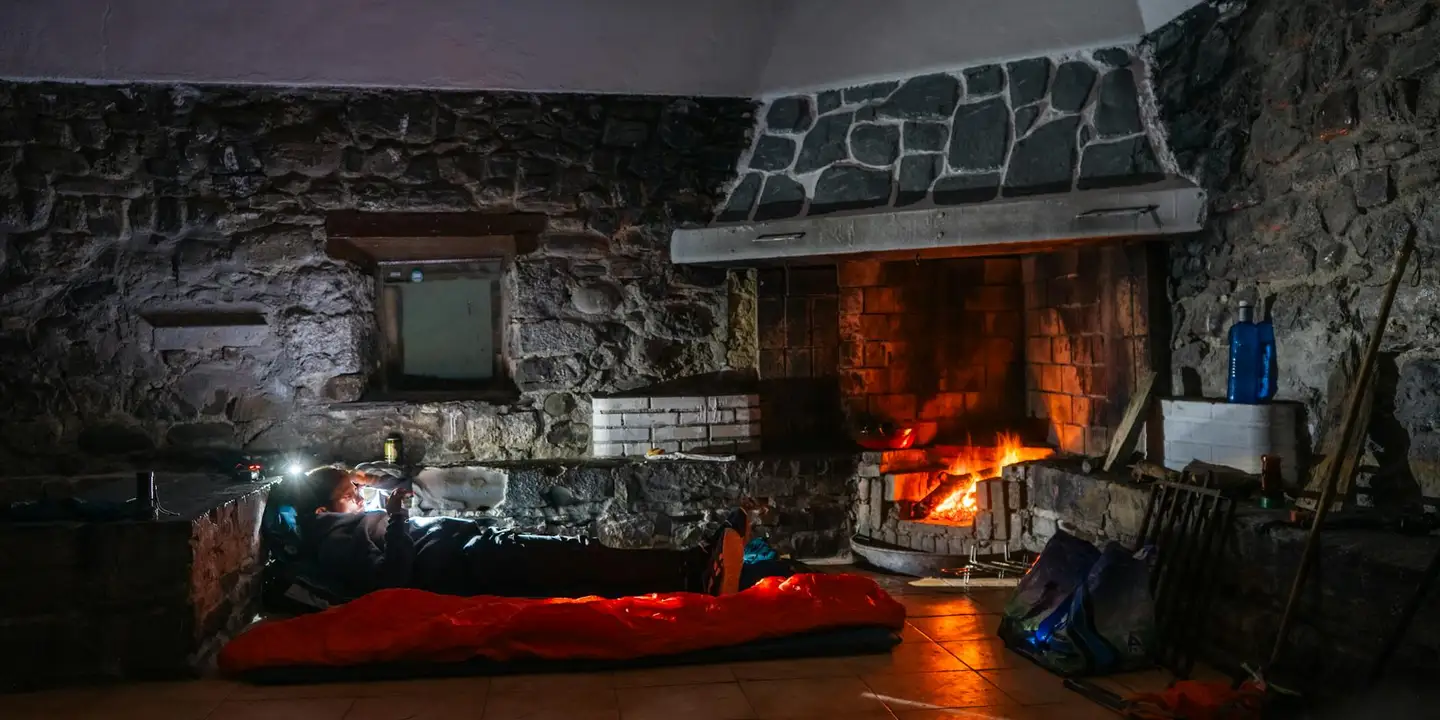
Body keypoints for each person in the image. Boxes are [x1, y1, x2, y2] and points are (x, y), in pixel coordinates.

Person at [284, 466, 749, 601]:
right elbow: (393, 578)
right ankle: (691, 568)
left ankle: (689, 573)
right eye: (350, 494)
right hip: (472, 561)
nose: (360, 500)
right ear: (324, 510)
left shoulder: (344, 520)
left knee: (580, 565)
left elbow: (397, 489)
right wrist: (400, 518)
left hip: (476, 547)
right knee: (579, 554)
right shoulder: (337, 541)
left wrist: (375, 485)